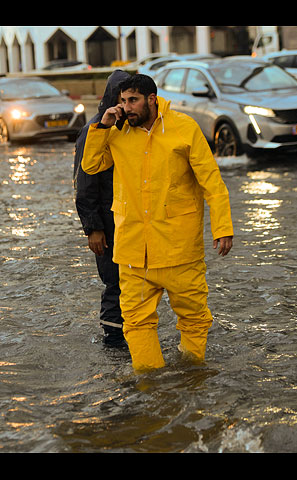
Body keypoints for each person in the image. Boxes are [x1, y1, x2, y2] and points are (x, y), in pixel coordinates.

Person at [81, 74, 234, 372]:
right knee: (136, 322)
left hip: (178, 247)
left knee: (194, 318)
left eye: (133, 101)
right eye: (122, 101)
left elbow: (211, 182)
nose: (127, 108)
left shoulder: (183, 128)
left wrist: (223, 227)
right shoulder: (115, 131)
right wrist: (101, 126)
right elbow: (91, 165)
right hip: (133, 249)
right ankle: (149, 382)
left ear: (152, 99)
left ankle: (191, 376)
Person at [74, 69, 131, 347]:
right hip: (106, 222)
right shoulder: (95, 129)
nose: (126, 106)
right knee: (114, 281)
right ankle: (113, 340)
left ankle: (128, 336)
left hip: (126, 218)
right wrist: (93, 228)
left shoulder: (128, 128)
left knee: (128, 282)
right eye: (122, 99)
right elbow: (84, 184)